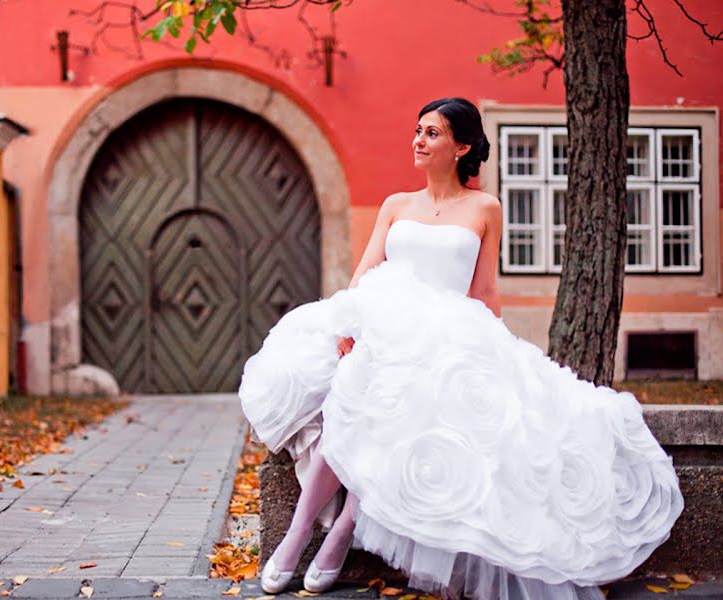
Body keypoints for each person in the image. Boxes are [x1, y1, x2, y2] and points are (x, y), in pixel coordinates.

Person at [238, 97, 684, 599]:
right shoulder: (395, 205)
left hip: (446, 337)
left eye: (432, 133)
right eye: (418, 130)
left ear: (462, 146)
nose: (419, 140)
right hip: (384, 327)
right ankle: (298, 536)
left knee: (410, 409)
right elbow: (364, 272)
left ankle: (341, 535)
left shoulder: (485, 207)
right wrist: (349, 322)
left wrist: (497, 349)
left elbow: (484, 292)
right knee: (356, 399)